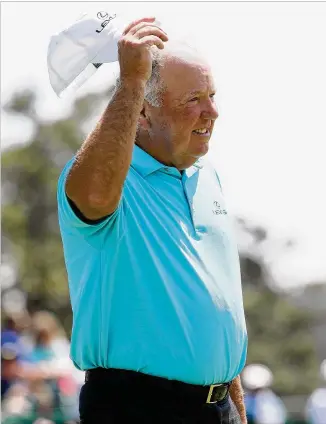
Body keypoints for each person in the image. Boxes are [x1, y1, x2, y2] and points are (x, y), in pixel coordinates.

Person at [57, 16, 248, 424]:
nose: (212, 111)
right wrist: (130, 82)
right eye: (192, 100)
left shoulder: (207, 176)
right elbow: (92, 194)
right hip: (138, 408)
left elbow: (215, 309)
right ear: (142, 111)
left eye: (211, 95)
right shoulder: (107, 178)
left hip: (219, 407)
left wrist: (235, 407)